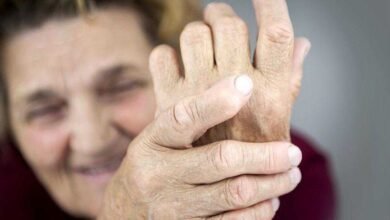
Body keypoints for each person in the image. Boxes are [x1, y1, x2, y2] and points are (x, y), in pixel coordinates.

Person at [0, 0, 336, 219]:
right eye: (45, 109)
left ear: (182, 73)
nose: (92, 140)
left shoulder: (282, 172)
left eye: (121, 87)